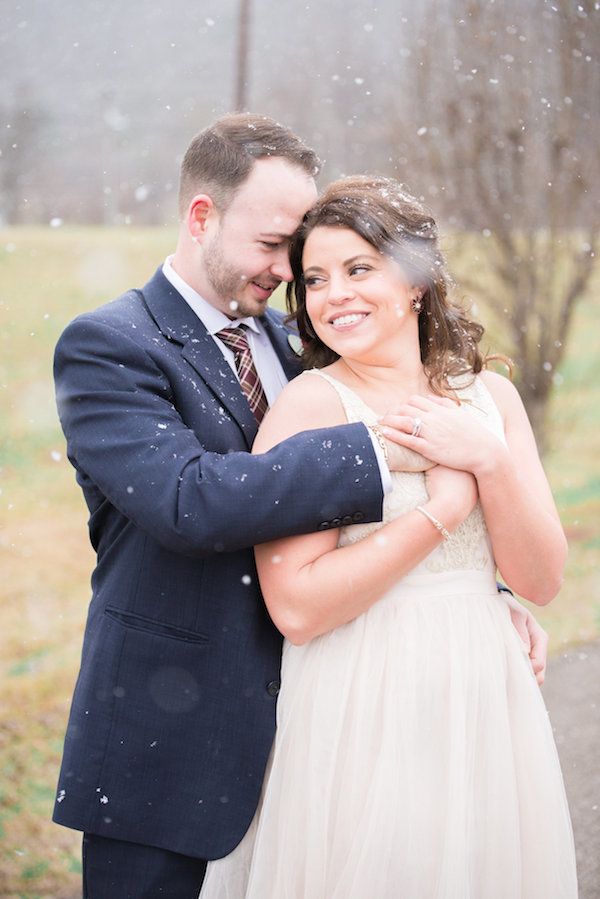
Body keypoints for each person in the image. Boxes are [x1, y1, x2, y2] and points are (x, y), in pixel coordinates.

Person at [52, 114, 547, 899]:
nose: (290, 270)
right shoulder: (111, 344)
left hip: (316, 731)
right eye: (274, 244)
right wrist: (395, 451)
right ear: (202, 216)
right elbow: (190, 500)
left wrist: (481, 587)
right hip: (171, 737)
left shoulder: (293, 340)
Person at [199, 176, 577, 898]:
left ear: (415, 280)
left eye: (358, 268)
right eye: (314, 279)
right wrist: (438, 512)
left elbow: (542, 580)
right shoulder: (311, 406)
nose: (333, 293)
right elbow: (298, 608)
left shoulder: (489, 399)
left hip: (481, 698)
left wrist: (489, 460)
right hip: (361, 701)